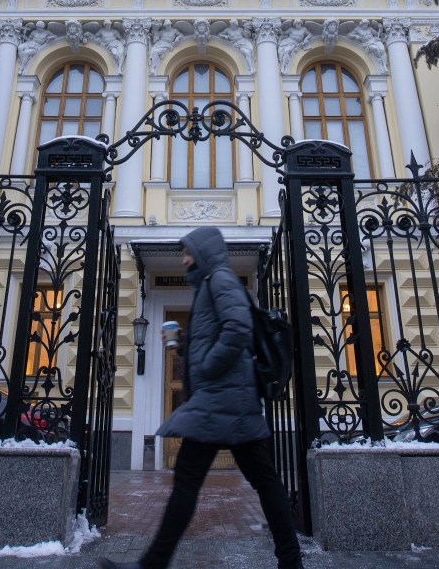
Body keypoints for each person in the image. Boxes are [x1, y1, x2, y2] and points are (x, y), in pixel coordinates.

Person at [100, 225, 302, 569]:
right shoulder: (211, 284)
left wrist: (207, 366)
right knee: (260, 482)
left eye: (188, 252)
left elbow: (238, 328)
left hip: (221, 402)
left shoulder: (220, 280)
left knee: (191, 484)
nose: (184, 259)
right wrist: (183, 345)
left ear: (203, 252)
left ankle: (153, 564)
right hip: (228, 403)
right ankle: (291, 560)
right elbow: (221, 334)